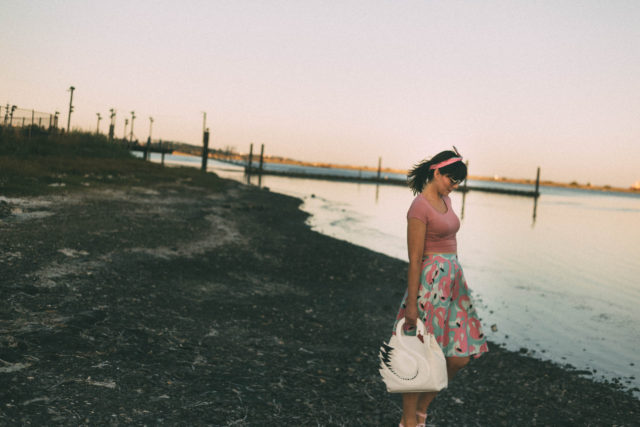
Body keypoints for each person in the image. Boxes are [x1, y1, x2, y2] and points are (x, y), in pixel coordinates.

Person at [394, 148, 488, 427]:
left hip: (453, 283)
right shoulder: (418, 208)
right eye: (451, 179)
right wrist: (412, 303)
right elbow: (414, 260)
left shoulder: (446, 200)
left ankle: (422, 410)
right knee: (420, 354)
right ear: (437, 172)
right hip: (429, 285)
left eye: (458, 181)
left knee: (460, 356)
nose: (454, 185)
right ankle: (409, 420)